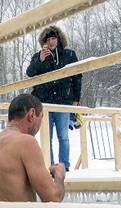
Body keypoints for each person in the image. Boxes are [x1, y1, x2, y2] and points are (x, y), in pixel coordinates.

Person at [0, 94, 65, 202]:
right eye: (41, 118)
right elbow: (53, 198)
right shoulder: (27, 142)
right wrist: (59, 175)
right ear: (32, 114)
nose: (41, 124)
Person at [26, 25, 82, 171]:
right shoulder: (38, 56)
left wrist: (76, 99)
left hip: (63, 101)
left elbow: (77, 77)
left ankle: (64, 165)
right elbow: (30, 73)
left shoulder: (69, 54)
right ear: (44, 42)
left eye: (53, 38)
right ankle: (50, 164)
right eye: (48, 39)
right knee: (47, 137)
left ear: (58, 39)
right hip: (43, 102)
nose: (51, 42)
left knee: (63, 136)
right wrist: (40, 60)